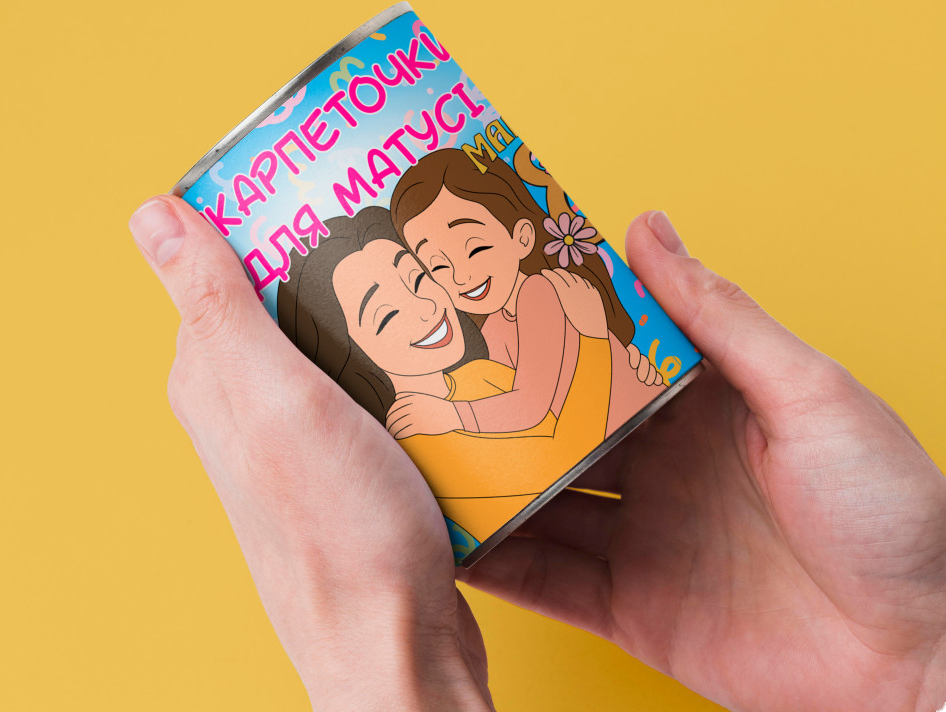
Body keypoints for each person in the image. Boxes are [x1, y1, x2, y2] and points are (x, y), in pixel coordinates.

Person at [129, 196, 946, 712]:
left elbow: (540, 410)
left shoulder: (535, 310)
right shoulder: (439, 406)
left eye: (420, 275)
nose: (431, 301)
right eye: (385, 309)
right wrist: (909, 667)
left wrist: (369, 659)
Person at [272, 205, 614, 553]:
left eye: (418, 280)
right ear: (348, 355)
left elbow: (554, 418)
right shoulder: (414, 439)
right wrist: (594, 338)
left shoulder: (477, 375)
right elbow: (568, 450)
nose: (427, 308)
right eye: (387, 315)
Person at [389, 147, 662, 441]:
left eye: (475, 248)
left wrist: (450, 415)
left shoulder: (539, 292)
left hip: (641, 425)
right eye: (438, 266)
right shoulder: (493, 327)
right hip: (603, 438)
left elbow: (529, 405)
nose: (460, 277)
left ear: (522, 237)